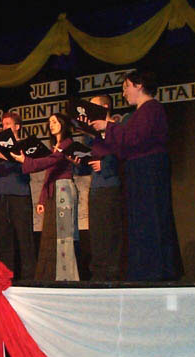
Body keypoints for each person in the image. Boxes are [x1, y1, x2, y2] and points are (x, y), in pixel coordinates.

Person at [90, 70, 182, 281]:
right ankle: (144, 271)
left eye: (126, 87)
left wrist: (108, 126)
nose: (124, 93)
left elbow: (135, 138)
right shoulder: (140, 113)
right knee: (139, 223)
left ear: (139, 85)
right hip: (138, 174)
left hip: (148, 173)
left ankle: (154, 271)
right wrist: (105, 131)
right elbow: (124, 145)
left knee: (150, 221)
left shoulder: (151, 109)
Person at [11, 113, 79, 281]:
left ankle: (66, 277)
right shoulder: (55, 147)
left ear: (63, 123)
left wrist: (25, 160)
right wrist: (42, 199)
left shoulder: (67, 143)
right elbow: (49, 172)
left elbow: (49, 162)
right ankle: (50, 275)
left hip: (63, 190)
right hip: (53, 191)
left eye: (54, 121)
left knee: (63, 235)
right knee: (49, 235)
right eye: (49, 122)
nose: (51, 125)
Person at [0, 112, 37, 281]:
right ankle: (5, 278)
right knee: (4, 239)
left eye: (8, 124)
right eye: (3, 124)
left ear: (17, 126)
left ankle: (28, 278)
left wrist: (5, 156)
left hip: (20, 194)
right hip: (1, 195)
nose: (4, 127)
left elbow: (27, 167)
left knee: (24, 238)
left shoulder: (23, 145)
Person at [85, 94, 124, 281]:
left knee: (111, 231)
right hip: (96, 187)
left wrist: (105, 165)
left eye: (94, 106)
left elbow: (123, 155)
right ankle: (98, 274)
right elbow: (86, 162)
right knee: (97, 233)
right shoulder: (90, 134)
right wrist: (76, 160)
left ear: (105, 107)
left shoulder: (118, 128)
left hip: (112, 186)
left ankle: (113, 275)